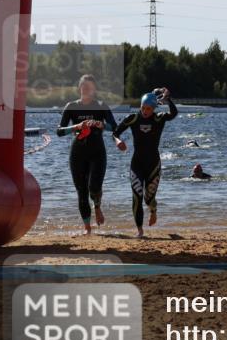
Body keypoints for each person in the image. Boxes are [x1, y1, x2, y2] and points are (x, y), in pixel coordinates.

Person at [56, 75, 125, 235]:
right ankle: (88, 229)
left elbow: (114, 127)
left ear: (94, 90)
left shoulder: (101, 106)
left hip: (97, 153)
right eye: (84, 86)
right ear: (80, 88)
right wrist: (77, 126)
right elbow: (59, 131)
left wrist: (101, 124)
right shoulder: (71, 106)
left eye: (90, 87)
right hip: (77, 154)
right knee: (81, 192)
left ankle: (98, 207)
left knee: (94, 187)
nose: (87, 89)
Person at [113, 88, 178, 237]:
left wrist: (168, 100)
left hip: (153, 165)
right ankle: (140, 230)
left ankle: (153, 210)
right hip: (137, 164)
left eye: (148, 108)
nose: (145, 111)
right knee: (137, 196)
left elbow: (173, 114)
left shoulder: (159, 118)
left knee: (149, 199)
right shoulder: (133, 118)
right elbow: (115, 132)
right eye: (143, 107)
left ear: (154, 108)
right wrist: (118, 141)